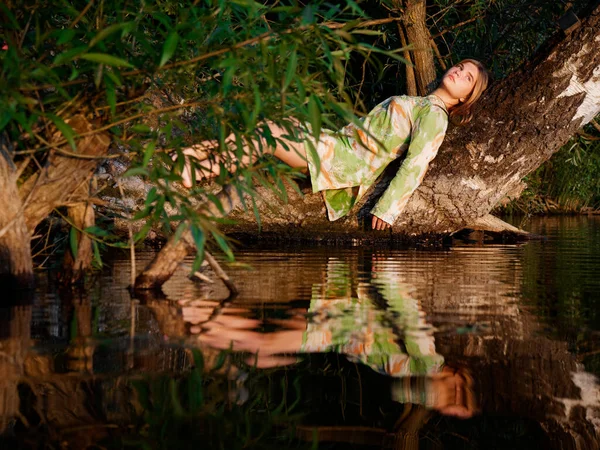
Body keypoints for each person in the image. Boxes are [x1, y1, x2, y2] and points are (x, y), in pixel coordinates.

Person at [178, 59, 489, 230]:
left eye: (467, 77)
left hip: (347, 160)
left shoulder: (435, 115)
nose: (459, 72)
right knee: (268, 128)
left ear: (465, 97)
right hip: (338, 145)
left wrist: (388, 209)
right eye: (460, 67)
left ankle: (197, 169)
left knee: (267, 135)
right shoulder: (421, 102)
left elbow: (417, 162)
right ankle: (191, 158)